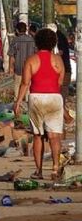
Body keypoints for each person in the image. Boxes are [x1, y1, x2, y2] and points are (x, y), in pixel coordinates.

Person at [14, 28, 65, 180]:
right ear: (53, 43)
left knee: (38, 136)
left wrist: (18, 102)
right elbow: (60, 82)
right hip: (55, 98)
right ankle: (55, 168)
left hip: (36, 98)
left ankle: (39, 171)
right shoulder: (58, 60)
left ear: (37, 42)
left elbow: (25, 83)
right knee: (54, 136)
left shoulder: (31, 60)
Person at [9, 22, 36, 101]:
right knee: (27, 86)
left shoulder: (15, 40)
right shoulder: (32, 40)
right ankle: (28, 104)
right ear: (26, 29)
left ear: (17, 30)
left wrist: (10, 68)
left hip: (18, 68)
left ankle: (17, 104)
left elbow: (12, 56)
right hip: (30, 69)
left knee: (17, 86)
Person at [55, 28, 74, 125]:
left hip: (63, 72)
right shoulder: (61, 37)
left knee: (58, 98)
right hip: (64, 71)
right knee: (59, 98)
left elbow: (60, 53)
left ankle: (67, 118)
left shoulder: (59, 38)